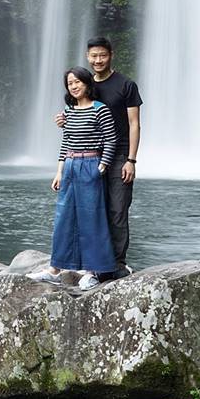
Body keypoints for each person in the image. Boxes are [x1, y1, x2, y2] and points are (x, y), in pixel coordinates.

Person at [55, 36, 141, 280]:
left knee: (117, 209)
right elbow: (77, 115)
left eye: (102, 55)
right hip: (90, 158)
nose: (98, 60)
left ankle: (117, 263)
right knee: (91, 211)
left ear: (111, 55)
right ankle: (91, 263)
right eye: (94, 56)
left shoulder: (126, 85)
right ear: (87, 57)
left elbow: (134, 124)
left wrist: (131, 160)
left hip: (119, 155)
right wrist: (64, 120)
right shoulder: (84, 83)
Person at [30, 67, 118, 290]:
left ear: (87, 83)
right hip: (70, 165)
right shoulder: (68, 112)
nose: (74, 86)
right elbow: (66, 142)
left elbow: (111, 139)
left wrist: (102, 166)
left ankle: (91, 271)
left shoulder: (100, 109)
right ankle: (55, 270)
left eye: (77, 82)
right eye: (70, 83)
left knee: (91, 218)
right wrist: (59, 172)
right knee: (64, 217)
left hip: (91, 164)